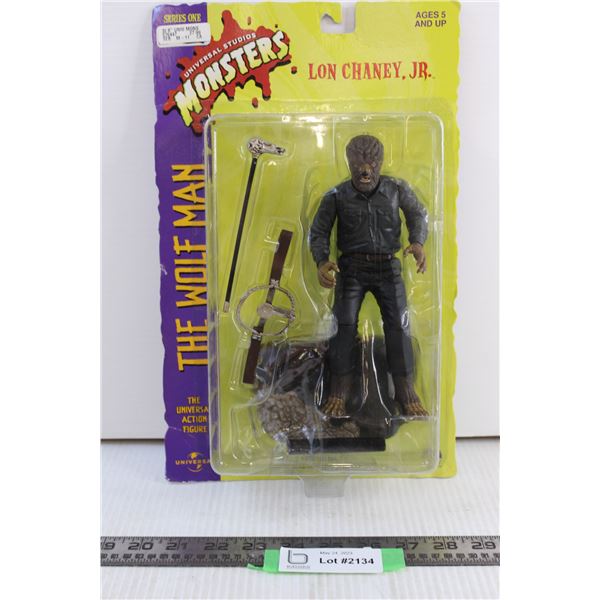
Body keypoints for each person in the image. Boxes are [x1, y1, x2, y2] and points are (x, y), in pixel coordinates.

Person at [309, 134, 429, 418]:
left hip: (388, 267)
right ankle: (338, 391)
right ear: (349, 162)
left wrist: (418, 241)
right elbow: (319, 230)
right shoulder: (337, 195)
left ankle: (406, 390)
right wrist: (322, 261)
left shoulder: (396, 189)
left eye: (372, 162)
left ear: (380, 162)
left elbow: (417, 213)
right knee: (344, 326)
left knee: (398, 326)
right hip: (351, 269)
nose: (365, 169)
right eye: (358, 162)